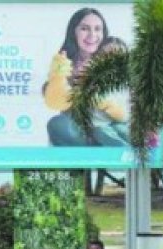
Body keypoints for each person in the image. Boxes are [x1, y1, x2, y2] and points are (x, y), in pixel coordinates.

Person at [43, 8, 129, 147]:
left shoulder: (114, 53)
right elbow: (55, 101)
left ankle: (117, 153)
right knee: (58, 124)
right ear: (74, 32)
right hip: (82, 130)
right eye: (84, 28)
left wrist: (108, 104)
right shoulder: (64, 62)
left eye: (97, 29)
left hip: (110, 125)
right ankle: (85, 159)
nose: (92, 35)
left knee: (123, 127)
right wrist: (60, 77)